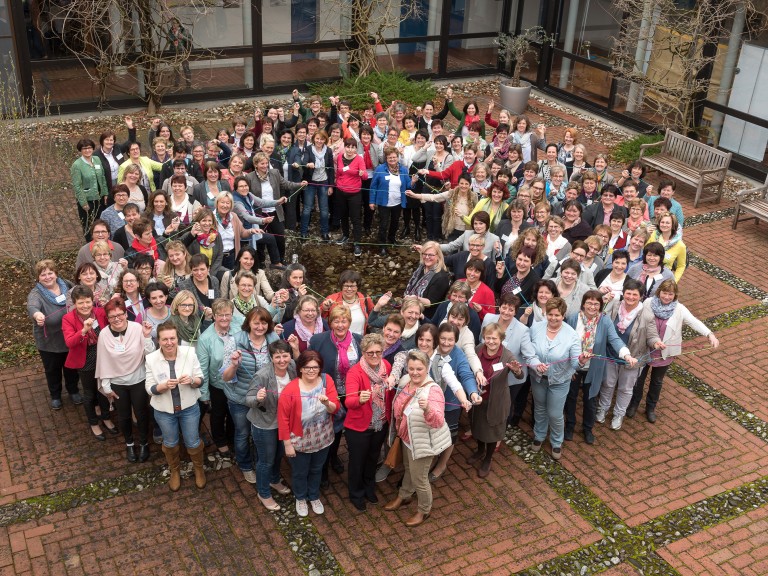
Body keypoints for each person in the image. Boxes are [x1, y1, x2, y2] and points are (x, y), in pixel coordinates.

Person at [628, 280, 720, 423]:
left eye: (670, 294)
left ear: (675, 295)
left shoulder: (679, 309)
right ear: (659, 292)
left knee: (657, 382)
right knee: (639, 379)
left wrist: (709, 334)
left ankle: (650, 408)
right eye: (664, 293)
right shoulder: (648, 303)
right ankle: (633, 404)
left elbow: (693, 321)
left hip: (665, 352)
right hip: (645, 348)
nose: (666, 297)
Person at [384, 350, 451, 527]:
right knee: (408, 469)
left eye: (419, 369)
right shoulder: (407, 381)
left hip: (422, 443)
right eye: (411, 368)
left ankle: (424, 510)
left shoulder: (433, 391)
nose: (414, 372)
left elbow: (438, 421)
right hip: (406, 438)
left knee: (420, 479)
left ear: (427, 368)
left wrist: (428, 408)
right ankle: (404, 496)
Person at [564, 290, 635, 445]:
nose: (592, 307)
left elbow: (615, 339)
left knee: (590, 400)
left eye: (596, 304)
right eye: (589, 303)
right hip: (574, 367)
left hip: (593, 368)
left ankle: (587, 428)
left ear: (601, 306)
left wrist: (626, 354)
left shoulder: (605, 321)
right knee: (571, 397)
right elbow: (565, 343)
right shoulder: (573, 318)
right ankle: (569, 426)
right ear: (583, 304)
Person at [221, 306, 281, 484]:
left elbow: (280, 365)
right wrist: (234, 365)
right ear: (248, 323)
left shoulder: (273, 338)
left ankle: (261, 464)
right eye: (256, 322)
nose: (260, 327)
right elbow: (225, 377)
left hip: (264, 398)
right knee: (242, 432)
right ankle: (245, 465)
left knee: (262, 434)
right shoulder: (234, 340)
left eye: (264, 323)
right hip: (240, 397)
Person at [145, 321, 206, 491]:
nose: (169, 342)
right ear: (158, 340)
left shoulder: (189, 352)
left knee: (193, 442)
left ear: (177, 338)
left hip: (189, 409)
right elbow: (149, 388)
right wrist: (162, 386)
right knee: (170, 443)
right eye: (165, 339)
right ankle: (174, 471)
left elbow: (201, 380)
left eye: (172, 338)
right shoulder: (151, 358)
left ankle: (199, 469)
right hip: (164, 411)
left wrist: (192, 380)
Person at [279, 350, 340, 517]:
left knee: (317, 469)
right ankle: (300, 497)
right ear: (300, 369)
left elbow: (335, 407)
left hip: (323, 437)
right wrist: (287, 444)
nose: (312, 371)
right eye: (307, 367)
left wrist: (327, 403)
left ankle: (313, 496)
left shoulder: (327, 381)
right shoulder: (290, 389)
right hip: (300, 440)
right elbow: (282, 418)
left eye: (315, 367)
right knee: (300, 472)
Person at [307, 305, 363, 487]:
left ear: (349, 322)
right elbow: (311, 366)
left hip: (350, 394)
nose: (340, 325)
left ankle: (333, 457)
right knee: (325, 428)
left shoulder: (358, 341)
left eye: (344, 320)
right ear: (330, 322)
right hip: (327, 393)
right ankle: (321, 468)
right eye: (336, 320)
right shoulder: (318, 340)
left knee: (340, 429)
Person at [96, 300, 155, 463]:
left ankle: (143, 442)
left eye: (120, 314)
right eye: (112, 316)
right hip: (117, 382)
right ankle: (129, 443)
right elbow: (103, 360)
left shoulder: (137, 328)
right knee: (123, 416)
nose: (117, 318)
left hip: (138, 379)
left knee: (142, 413)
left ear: (125, 313)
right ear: (107, 318)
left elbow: (149, 354)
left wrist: (147, 336)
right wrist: (106, 386)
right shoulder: (104, 334)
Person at [244, 340, 297, 510]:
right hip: (265, 423)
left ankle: (274, 480)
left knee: (278, 454)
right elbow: (248, 399)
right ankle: (263, 492)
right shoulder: (262, 375)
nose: (282, 360)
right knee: (265, 460)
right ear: (271, 357)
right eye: (278, 356)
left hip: (285, 422)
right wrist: (258, 398)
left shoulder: (292, 367)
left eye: (285, 355)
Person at [527, 297, 581, 460]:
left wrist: (582, 361)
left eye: (557, 315)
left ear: (563, 315)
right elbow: (529, 353)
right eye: (550, 314)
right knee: (540, 408)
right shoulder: (535, 328)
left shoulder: (572, 335)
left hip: (559, 381)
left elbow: (575, 363)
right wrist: (536, 364)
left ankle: (557, 441)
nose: (553, 318)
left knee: (555, 413)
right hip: (538, 378)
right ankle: (539, 435)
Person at [344, 333, 392, 511]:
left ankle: (369, 487)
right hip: (359, 427)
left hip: (379, 423)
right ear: (363, 352)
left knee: (373, 458)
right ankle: (356, 493)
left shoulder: (386, 366)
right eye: (370, 352)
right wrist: (359, 399)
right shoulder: (354, 372)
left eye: (378, 352)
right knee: (357, 461)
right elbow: (349, 402)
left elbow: (389, 392)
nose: (374, 356)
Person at [61, 285, 116, 439]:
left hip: (104, 357)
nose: (85, 306)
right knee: (90, 393)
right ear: (74, 304)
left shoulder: (99, 312)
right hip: (86, 359)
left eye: (88, 302)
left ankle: (106, 418)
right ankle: (93, 423)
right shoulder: (68, 318)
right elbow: (69, 342)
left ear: (93, 301)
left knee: (105, 389)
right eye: (80, 303)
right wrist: (84, 331)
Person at [596, 279, 652, 431]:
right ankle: (603, 408)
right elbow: (599, 318)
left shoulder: (646, 314)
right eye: (628, 293)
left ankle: (619, 413)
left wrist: (657, 342)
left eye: (635, 295)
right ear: (623, 293)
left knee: (625, 388)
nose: (631, 297)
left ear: (641, 296)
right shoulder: (614, 305)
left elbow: (652, 335)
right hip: (610, 354)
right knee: (607, 384)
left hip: (632, 358)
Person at [468, 323, 522, 477]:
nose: (491, 341)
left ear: (501, 339)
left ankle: (488, 458)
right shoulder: (478, 350)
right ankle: (479, 450)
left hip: (496, 401)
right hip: (478, 399)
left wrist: (517, 370)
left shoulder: (507, 355)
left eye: (494, 338)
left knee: (492, 431)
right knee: (477, 426)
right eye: (488, 338)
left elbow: (520, 375)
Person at [27, 260, 80, 409]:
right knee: (53, 370)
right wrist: (37, 315)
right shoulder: (36, 294)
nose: (47, 277)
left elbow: (80, 295)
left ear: (56, 273)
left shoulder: (68, 285)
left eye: (50, 273)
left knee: (71, 367)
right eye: (43, 274)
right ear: (38, 278)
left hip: (69, 337)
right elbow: (32, 306)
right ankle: (55, 395)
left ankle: (73, 390)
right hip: (49, 342)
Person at [196, 298, 237, 467]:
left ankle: (233, 438)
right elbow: (203, 369)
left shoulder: (238, 330)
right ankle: (221, 442)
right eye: (220, 315)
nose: (224, 318)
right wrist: (204, 394)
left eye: (228, 314)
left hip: (236, 382)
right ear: (214, 316)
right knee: (219, 414)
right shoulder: (206, 338)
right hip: (218, 384)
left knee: (234, 413)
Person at [369, 146, 411, 255]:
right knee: (383, 224)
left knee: (395, 222)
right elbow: (373, 186)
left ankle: (391, 238)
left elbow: (408, 185)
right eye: (389, 158)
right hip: (384, 202)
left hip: (397, 202)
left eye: (394, 157)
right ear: (386, 159)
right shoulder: (380, 169)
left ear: (397, 157)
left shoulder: (403, 169)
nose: (392, 159)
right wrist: (371, 201)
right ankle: (382, 244)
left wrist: (414, 181)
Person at [334, 138, 367, 256]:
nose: (350, 149)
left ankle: (357, 243)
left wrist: (362, 174)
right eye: (348, 146)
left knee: (355, 218)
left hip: (354, 193)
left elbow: (365, 176)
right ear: (345, 147)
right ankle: (345, 235)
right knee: (343, 215)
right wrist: (336, 183)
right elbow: (338, 173)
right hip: (341, 191)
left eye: (353, 147)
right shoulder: (339, 157)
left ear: (355, 149)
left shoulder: (359, 159)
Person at [71, 138, 109, 239]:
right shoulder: (77, 165)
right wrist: (83, 203)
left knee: (100, 223)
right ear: (80, 150)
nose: (87, 150)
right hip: (88, 201)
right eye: (84, 149)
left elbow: (102, 177)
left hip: (99, 199)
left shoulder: (96, 159)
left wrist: (105, 193)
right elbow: (77, 186)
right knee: (89, 226)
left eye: (89, 148)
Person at [404, 241, 451, 318]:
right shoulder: (422, 268)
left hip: (425, 316)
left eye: (431, 255)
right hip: (409, 309)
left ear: (438, 256)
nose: (427, 257)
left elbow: (430, 303)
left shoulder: (441, 277)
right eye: (424, 254)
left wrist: (415, 298)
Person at [320, 270, 375, 335]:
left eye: (352, 286)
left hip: (360, 341)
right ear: (341, 286)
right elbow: (317, 318)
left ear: (357, 286)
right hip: (337, 341)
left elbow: (374, 318)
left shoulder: (365, 298)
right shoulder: (332, 299)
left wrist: (379, 305)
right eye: (346, 286)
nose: (349, 289)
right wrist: (324, 308)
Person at [181, 207, 225, 281]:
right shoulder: (192, 235)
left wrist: (210, 273)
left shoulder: (216, 236)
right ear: (198, 222)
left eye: (209, 220)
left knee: (228, 275)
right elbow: (178, 245)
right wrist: (191, 235)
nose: (207, 223)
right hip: (195, 270)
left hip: (214, 270)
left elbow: (219, 256)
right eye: (204, 220)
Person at [647, 213, 686, 282]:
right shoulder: (653, 235)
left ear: (673, 225)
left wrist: (674, 281)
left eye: (667, 223)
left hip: (664, 279)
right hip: (647, 274)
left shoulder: (680, 245)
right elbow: (645, 251)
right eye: (662, 222)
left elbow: (681, 266)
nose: (664, 225)